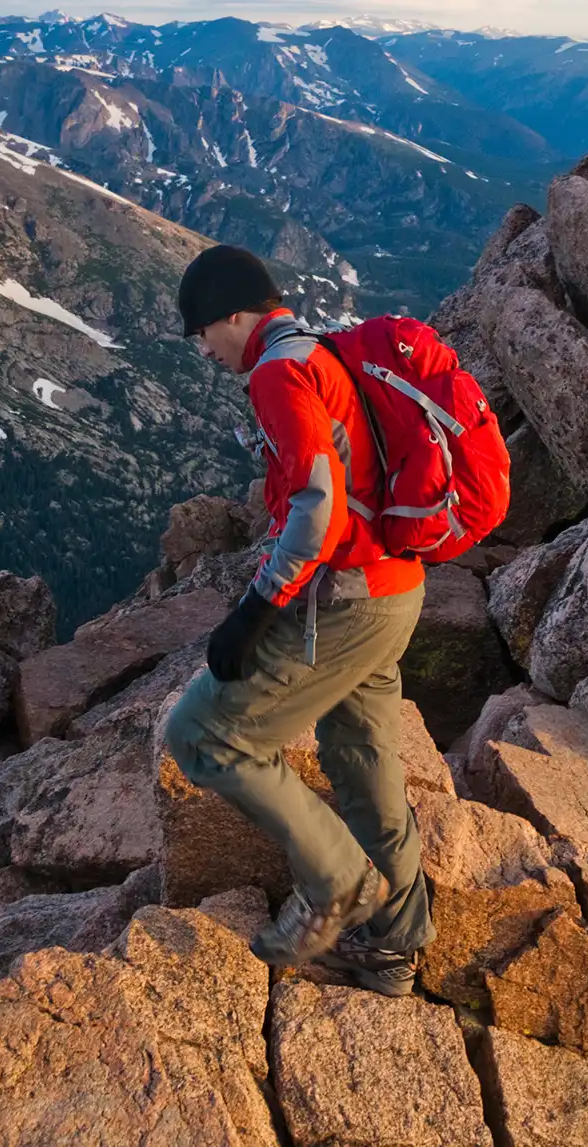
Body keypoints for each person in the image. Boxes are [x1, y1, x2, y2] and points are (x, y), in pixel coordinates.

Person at [161, 244, 434, 994]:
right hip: (394, 592)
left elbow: (318, 508)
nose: (204, 350)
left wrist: (255, 609)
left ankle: (338, 883)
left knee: (202, 732)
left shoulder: (279, 373)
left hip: (345, 601)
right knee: (366, 770)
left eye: (203, 333)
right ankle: (395, 948)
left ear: (234, 315)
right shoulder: (319, 353)